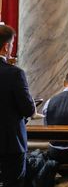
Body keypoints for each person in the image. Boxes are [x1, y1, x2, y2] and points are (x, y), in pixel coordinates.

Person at [0, 24, 35, 187]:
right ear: (6, 47)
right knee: (13, 182)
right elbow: (27, 109)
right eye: (12, 44)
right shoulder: (14, 73)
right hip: (10, 141)